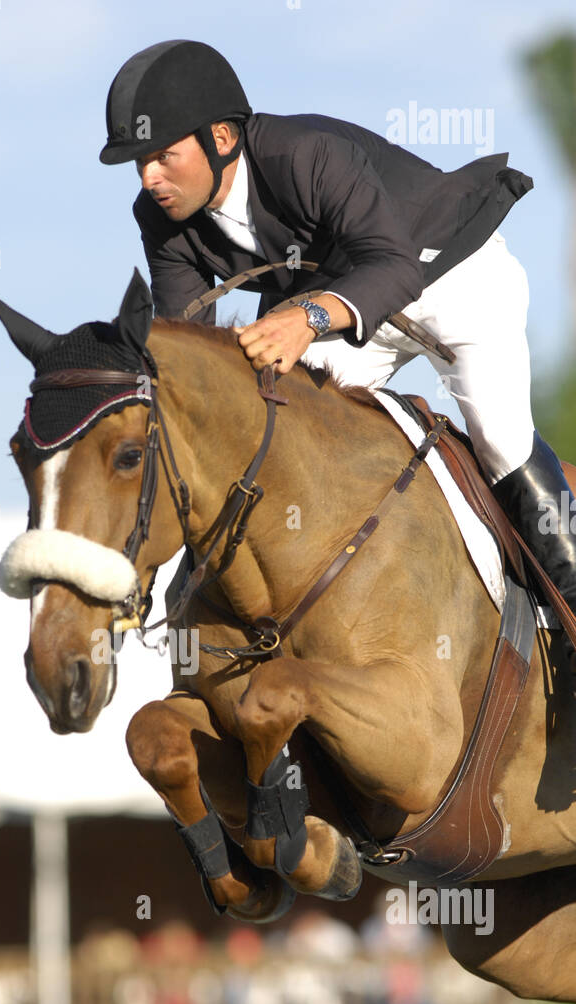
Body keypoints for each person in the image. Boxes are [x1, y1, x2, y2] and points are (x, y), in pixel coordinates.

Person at [99, 40, 576, 646]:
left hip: (452, 275)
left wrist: (304, 320)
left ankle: (572, 618)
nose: (149, 179)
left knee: (501, 440)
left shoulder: (304, 153)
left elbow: (396, 270)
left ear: (221, 139)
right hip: (346, 300)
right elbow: (181, 338)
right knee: (279, 419)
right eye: (140, 164)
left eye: (162, 156)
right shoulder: (159, 215)